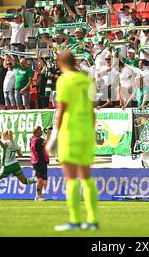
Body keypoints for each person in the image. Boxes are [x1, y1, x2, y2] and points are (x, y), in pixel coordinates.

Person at [46, 50, 98, 231]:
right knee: (86, 176)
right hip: (86, 131)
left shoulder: (64, 80)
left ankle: (75, 220)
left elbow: (62, 109)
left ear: (60, 63)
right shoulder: (86, 80)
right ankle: (92, 220)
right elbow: (92, 110)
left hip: (70, 131)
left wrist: (54, 135)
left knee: (71, 177)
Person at [0, 130, 46, 203]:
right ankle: (38, 180)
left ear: (6, 135)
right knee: (24, 181)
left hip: (7, 165)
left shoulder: (7, 142)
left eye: (3, 135)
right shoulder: (15, 144)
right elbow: (20, 155)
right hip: (15, 164)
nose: (3, 137)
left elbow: (4, 146)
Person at [30, 126, 51, 201]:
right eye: (40, 130)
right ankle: (39, 196)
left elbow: (44, 141)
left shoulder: (34, 139)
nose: (42, 131)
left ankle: (39, 195)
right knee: (40, 178)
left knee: (40, 178)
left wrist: (47, 134)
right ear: (36, 132)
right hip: (39, 161)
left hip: (37, 161)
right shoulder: (38, 140)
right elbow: (46, 142)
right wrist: (48, 133)